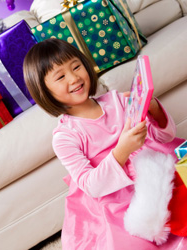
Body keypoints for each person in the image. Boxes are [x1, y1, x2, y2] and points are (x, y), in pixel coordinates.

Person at [23, 38, 187, 249]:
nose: (74, 78)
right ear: (44, 91)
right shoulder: (65, 137)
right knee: (132, 242)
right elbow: (92, 185)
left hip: (153, 173)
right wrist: (123, 150)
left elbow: (164, 139)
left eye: (76, 67)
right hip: (114, 199)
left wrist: (153, 108)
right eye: (61, 76)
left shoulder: (117, 100)